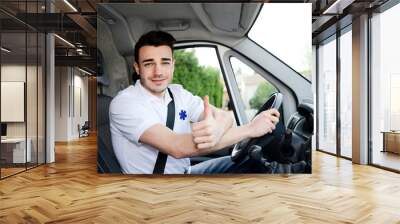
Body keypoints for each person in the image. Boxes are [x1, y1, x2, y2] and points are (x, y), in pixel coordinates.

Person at [109, 30, 280, 174]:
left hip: (187, 172)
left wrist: (216, 129)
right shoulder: (124, 103)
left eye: (165, 62)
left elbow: (223, 116)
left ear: (173, 65)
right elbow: (176, 146)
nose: (158, 72)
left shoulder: (178, 93)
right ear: (137, 68)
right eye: (148, 64)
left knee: (250, 162)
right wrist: (250, 129)